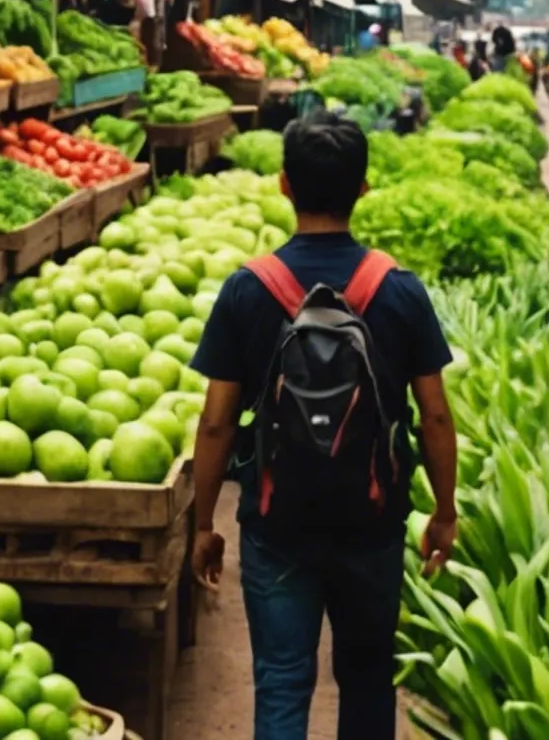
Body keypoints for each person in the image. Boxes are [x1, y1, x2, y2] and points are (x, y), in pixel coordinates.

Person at [188, 113, 458, 740]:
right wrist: (443, 510)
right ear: (363, 189)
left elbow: (215, 425)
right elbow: (436, 415)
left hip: (276, 521)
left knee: (282, 680)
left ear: (283, 185)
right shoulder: (397, 290)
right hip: (373, 519)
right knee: (366, 677)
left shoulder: (247, 291)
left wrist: (204, 524)